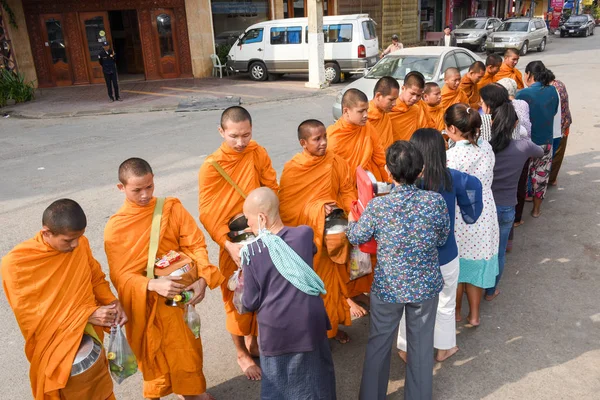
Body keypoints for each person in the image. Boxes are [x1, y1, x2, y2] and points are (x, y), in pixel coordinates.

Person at [104, 158, 224, 400]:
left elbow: (195, 243)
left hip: (178, 300)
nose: (145, 194)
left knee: (186, 349)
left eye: (149, 186)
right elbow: (120, 275)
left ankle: (190, 391)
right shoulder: (116, 227)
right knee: (154, 355)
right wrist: (151, 284)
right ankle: (159, 392)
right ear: (121, 188)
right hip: (146, 305)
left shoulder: (171, 208)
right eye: (137, 190)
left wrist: (202, 277)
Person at [349, 141, 450, 400]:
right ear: (421, 170)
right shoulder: (435, 202)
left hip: (388, 286)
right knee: (421, 346)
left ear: (387, 171)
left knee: (379, 344)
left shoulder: (378, 207)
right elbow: (442, 239)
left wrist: (352, 221)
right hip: (424, 286)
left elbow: (357, 236)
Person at [2, 199, 126, 400]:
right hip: (57, 350)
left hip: (88, 341)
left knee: (101, 391)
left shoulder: (80, 244)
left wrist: (112, 302)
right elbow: (34, 320)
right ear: (46, 233)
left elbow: (94, 277)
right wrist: (86, 316)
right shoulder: (17, 265)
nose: (75, 244)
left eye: (79, 237)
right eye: (68, 240)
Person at [198, 106, 279, 380]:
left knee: (264, 295)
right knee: (237, 300)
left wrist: (268, 222)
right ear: (221, 132)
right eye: (234, 136)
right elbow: (208, 212)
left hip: (261, 233)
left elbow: (271, 188)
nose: (241, 142)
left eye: (246, 134)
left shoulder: (258, 152)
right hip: (232, 241)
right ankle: (241, 352)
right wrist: (228, 244)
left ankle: (254, 340)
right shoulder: (211, 167)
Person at [396, 128, 483, 363]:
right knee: (445, 301)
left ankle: (405, 348)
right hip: (445, 254)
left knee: (410, 303)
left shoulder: (406, 183)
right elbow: (475, 188)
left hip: (412, 257)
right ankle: (444, 348)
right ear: (442, 150)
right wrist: (468, 213)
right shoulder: (452, 178)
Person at [241, 187, 336, 400]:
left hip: (278, 332)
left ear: (262, 217)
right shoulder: (304, 234)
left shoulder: (251, 252)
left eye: (248, 219)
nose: (248, 225)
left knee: (280, 387)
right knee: (317, 382)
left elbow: (249, 301)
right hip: (311, 325)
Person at [278, 119, 356, 341]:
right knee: (311, 287)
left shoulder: (336, 162)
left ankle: (332, 327)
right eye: (317, 139)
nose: (323, 143)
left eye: (325, 137)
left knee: (332, 284)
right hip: (308, 241)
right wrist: (318, 209)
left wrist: (342, 208)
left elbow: (348, 190)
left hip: (334, 234)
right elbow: (288, 209)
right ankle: (314, 333)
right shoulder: (293, 168)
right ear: (303, 142)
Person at [481, 85, 544, 301]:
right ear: (515, 123)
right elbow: (541, 151)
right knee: (499, 252)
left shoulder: (484, 147)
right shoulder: (523, 146)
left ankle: (475, 288)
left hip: (484, 206)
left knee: (481, 251)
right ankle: (491, 291)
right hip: (507, 207)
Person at [445, 104, 499, 326]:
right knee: (475, 266)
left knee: (458, 269)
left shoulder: (451, 157)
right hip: (485, 211)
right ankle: (474, 315)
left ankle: (456, 313)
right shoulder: (486, 147)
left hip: (461, 215)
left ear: (452, 128)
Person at [516, 61, 559, 218]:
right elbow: (553, 112)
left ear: (529, 75)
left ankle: (518, 215)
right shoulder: (553, 91)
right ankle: (536, 210)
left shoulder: (523, 94)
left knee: (521, 177)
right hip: (545, 141)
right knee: (540, 176)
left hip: (526, 142)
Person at [327, 88, 388, 183]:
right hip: (346, 189)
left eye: (366, 110)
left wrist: (388, 183)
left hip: (369, 183)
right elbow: (331, 173)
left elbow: (380, 157)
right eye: (361, 111)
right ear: (346, 111)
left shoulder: (367, 127)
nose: (366, 115)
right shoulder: (334, 136)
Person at [389, 71, 430, 141]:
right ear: (403, 88)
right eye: (412, 93)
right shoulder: (390, 109)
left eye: (418, 95)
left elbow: (423, 132)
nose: (415, 98)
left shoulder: (416, 109)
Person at [548, 71, 572, 186]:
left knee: (555, 153)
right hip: (564, 123)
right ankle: (551, 178)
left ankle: (550, 179)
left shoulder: (552, 89)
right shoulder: (559, 84)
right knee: (557, 154)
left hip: (560, 126)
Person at [368, 76, 400, 150]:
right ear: (378, 96)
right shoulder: (364, 118)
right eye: (391, 100)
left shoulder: (385, 115)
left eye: (395, 100)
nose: (394, 104)